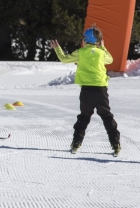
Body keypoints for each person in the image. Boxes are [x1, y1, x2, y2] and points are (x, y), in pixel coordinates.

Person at [49, 25, 121, 156]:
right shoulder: (101, 53)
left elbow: (64, 59)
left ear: (84, 41)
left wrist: (57, 49)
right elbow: (110, 59)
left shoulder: (81, 53)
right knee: (106, 115)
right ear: (98, 41)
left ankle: (76, 143)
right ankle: (115, 144)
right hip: (101, 89)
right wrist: (103, 47)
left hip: (86, 90)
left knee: (84, 116)